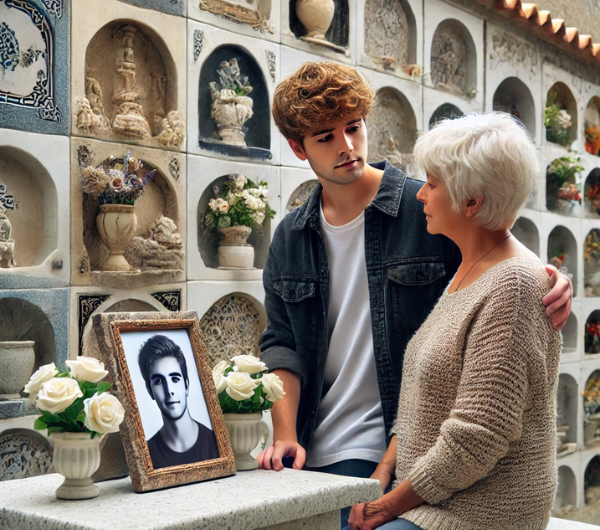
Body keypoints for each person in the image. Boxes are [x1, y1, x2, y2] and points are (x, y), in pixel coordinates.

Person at [257, 62, 571, 528]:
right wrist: (285, 435)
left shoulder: (420, 206)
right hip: (311, 445)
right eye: (325, 137)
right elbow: (280, 341)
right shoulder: (290, 237)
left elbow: (492, 242)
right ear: (297, 148)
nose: (346, 147)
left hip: (400, 452)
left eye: (354, 128)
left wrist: (551, 275)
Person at [346, 112, 561, 530]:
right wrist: (382, 475)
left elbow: (478, 437)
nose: (420, 195)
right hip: (431, 498)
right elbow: (418, 408)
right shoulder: (468, 270)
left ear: (472, 201)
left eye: (432, 183)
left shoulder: (514, 285)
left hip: (480, 511)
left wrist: (387, 506)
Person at [138, 334, 219, 469]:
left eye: (175, 379)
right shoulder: (146, 457)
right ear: (150, 390)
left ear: (186, 385)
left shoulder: (217, 444)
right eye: (158, 381)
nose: (169, 390)